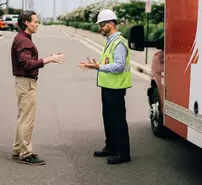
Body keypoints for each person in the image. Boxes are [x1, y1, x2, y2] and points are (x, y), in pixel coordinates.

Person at [11, 10, 66, 165]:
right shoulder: (23, 41)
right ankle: (26, 154)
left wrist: (49, 58)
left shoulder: (23, 38)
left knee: (23, 118)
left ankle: (18, 150)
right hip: (26, 83)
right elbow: (26, 63)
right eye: (35, 22)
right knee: (27, 120)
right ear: (27, 23)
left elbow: (27, 60)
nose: (37, 24)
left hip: (23, 81)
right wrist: (49, 59)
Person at [79, 9, 132, 165]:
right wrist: (97, 66)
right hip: (108, 87)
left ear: (110, 24)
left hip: (116, 88)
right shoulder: (110, 41)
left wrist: (99, 67)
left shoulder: (119, 42)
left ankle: (123, 153)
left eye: (102, 25)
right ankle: (111, 147)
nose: (100, 28)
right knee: (108, 119)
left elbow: (119, 66)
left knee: (118, 121)